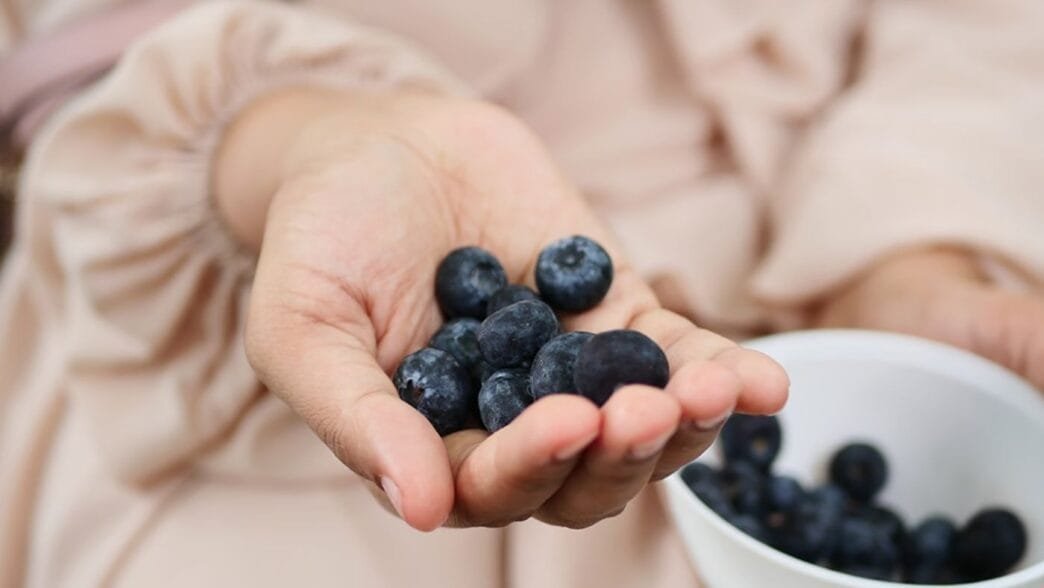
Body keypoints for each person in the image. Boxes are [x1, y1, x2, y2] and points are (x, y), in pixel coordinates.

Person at [0, 1, 1041, 586]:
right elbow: (69, 68)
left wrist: (906, 251)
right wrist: (304, 142)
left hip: (817, 234)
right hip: (250, 357)